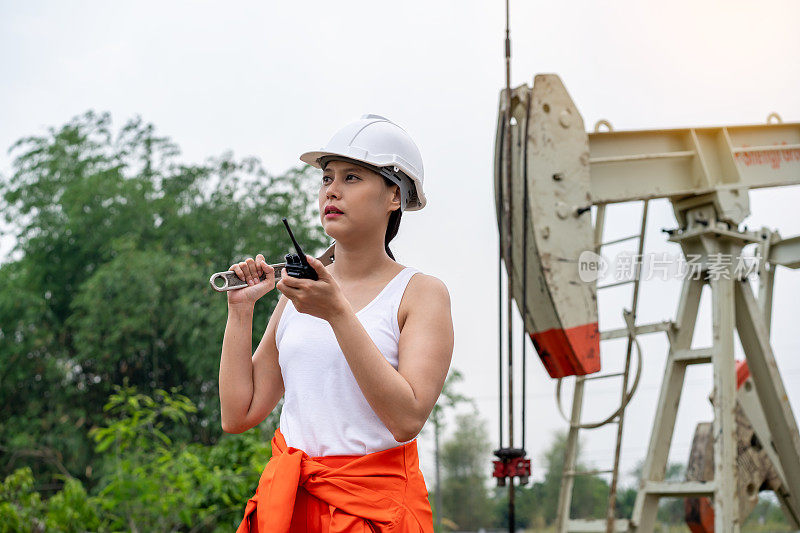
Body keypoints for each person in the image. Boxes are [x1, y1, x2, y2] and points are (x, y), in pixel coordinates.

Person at [218, 114, 454, 532]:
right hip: (290, 510)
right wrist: (240, 312)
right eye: (327, 177)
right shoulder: (300, 294)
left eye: (352, 178)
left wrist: (337, 313)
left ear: (394, 197)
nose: (332, 189)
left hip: (373, 513)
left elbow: (406, 419)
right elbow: (239, 413)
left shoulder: (420, 294)